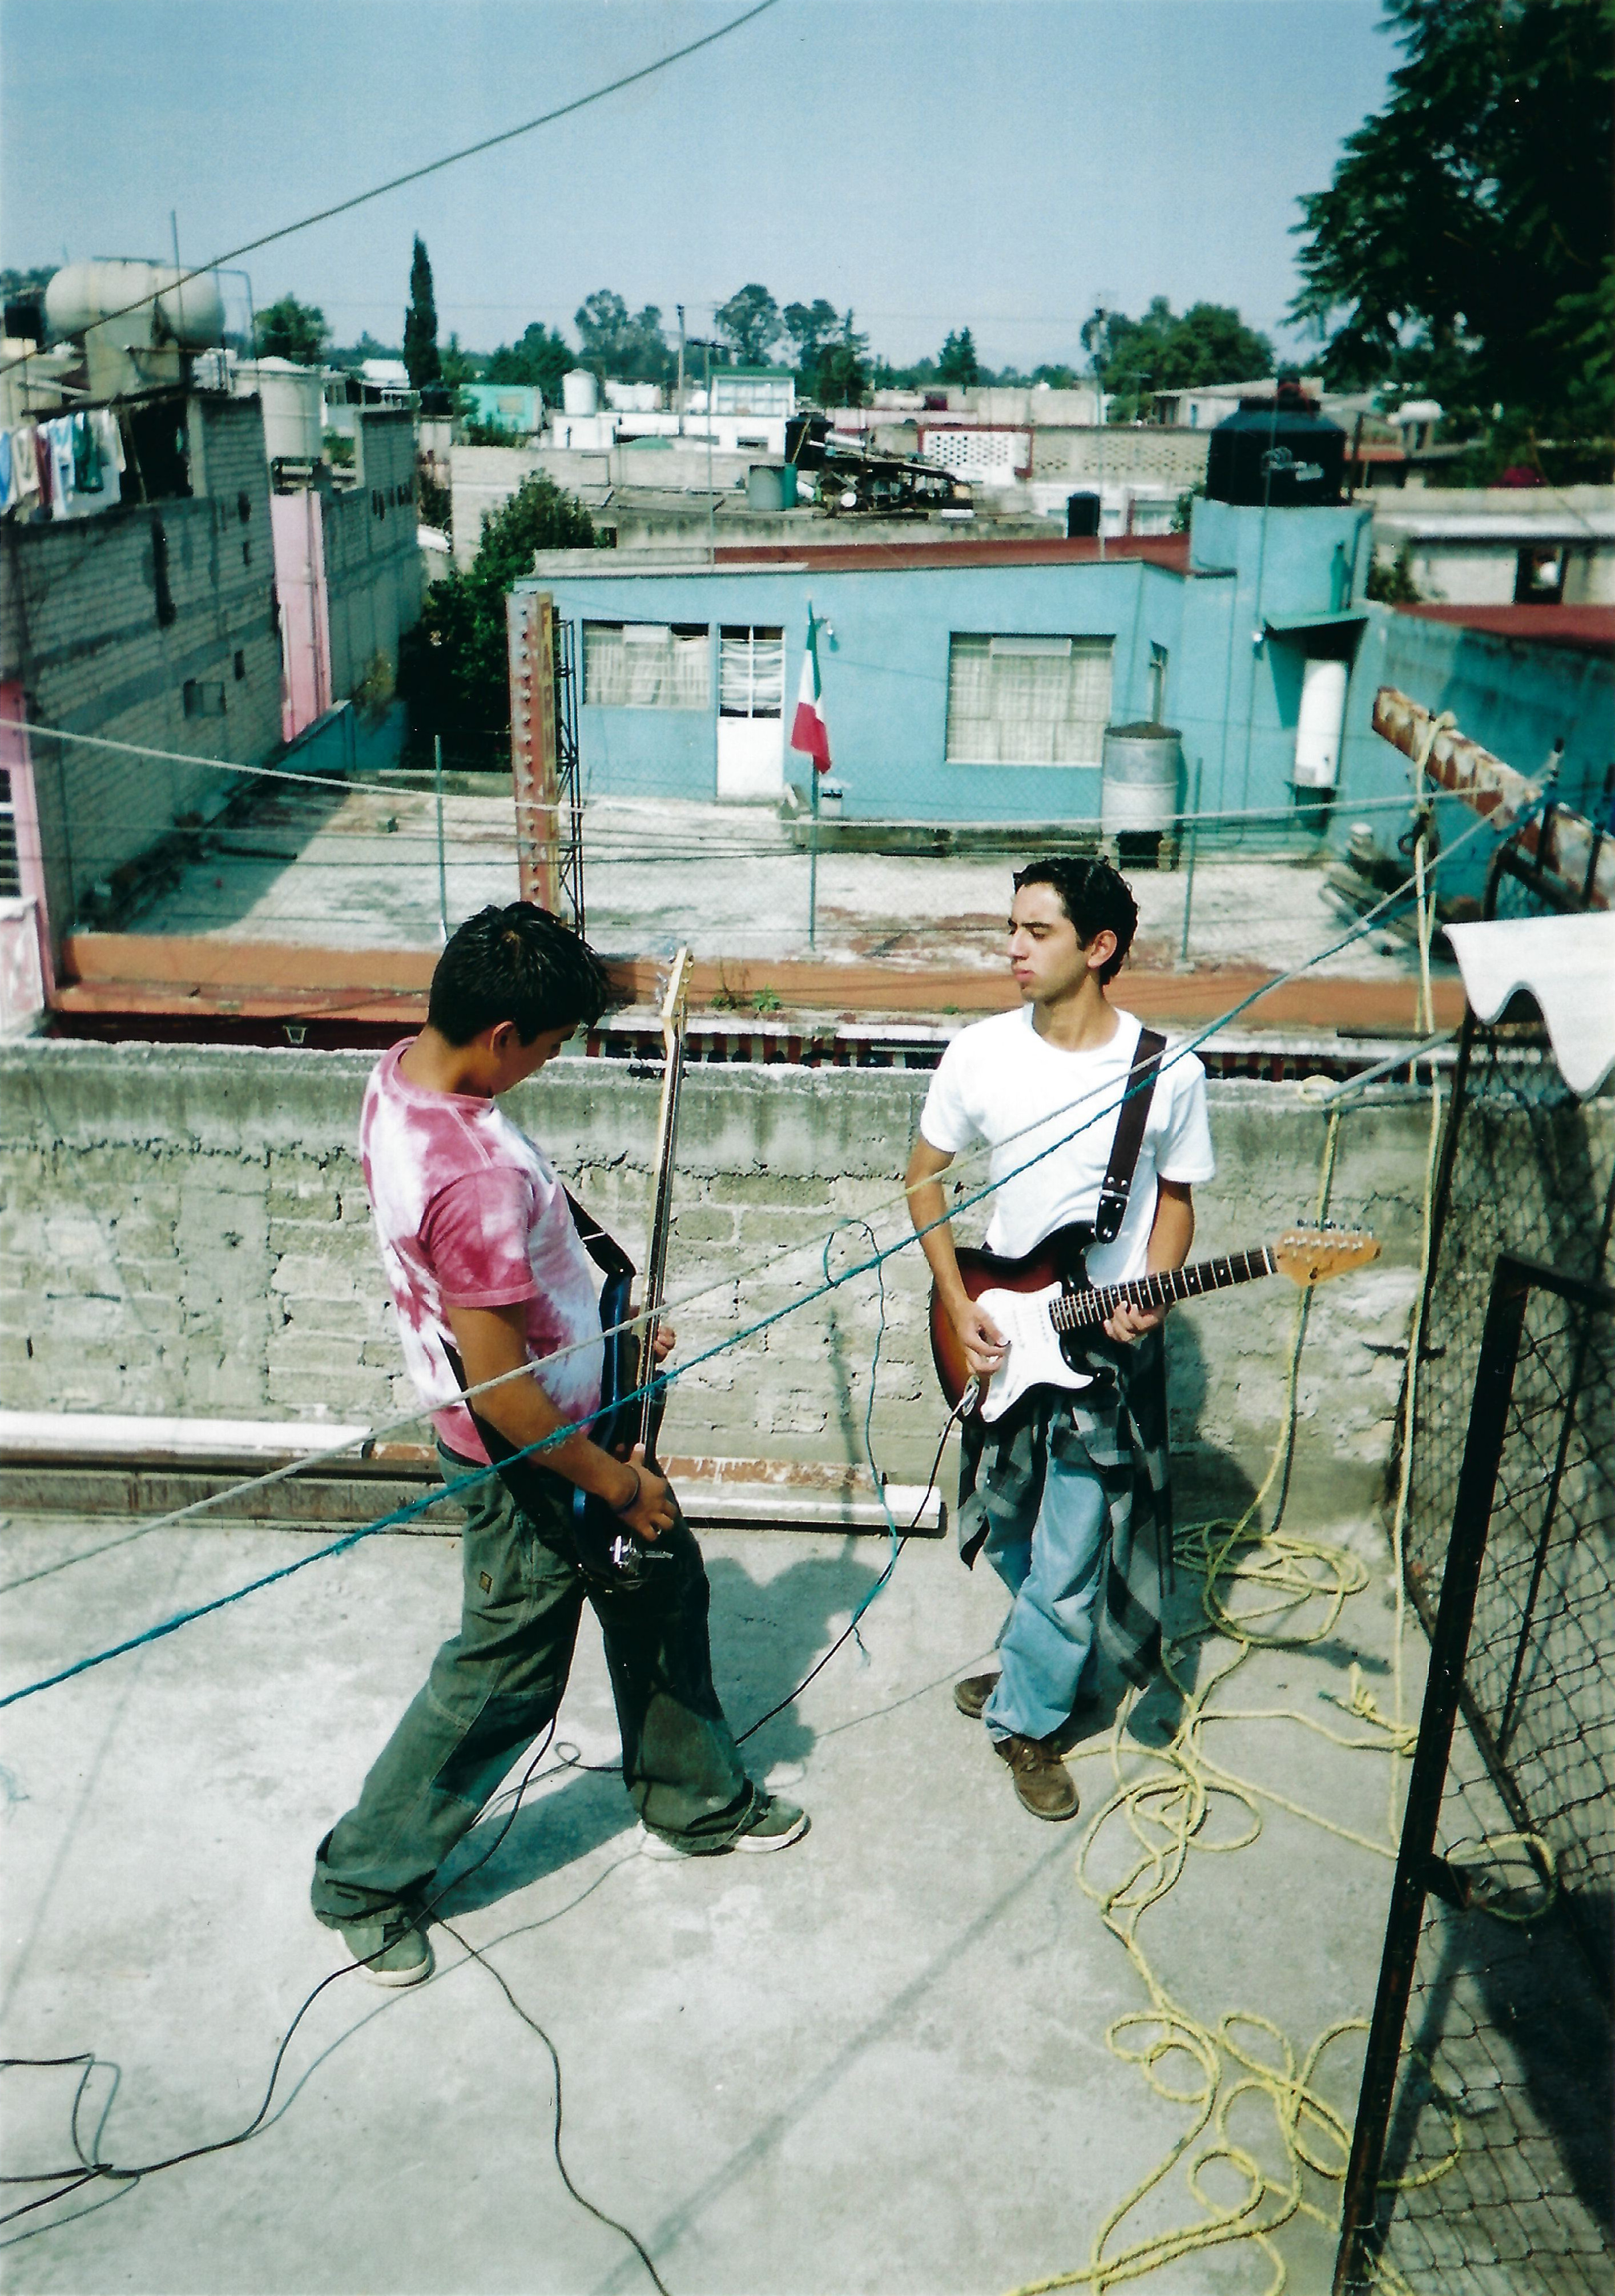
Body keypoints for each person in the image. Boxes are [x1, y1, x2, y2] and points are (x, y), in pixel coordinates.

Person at [311, 903, 807, 1986]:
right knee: (503, 1678)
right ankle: (364, 1880)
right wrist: (615, 1482)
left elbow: (510, 1302)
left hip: (574, 1414)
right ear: (501, 1034)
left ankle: (693, 1800)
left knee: (662, 1584)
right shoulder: (471, 1174)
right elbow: (501, 1388)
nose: (546, 1064)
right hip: (533, 1458)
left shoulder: (405, 1073)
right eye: (544, 1046)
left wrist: (608, 1329)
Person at [905, 858, 1214, 1822]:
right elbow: (921, 1178)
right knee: (1004, 1524)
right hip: (1002, 1328)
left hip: (1102, 1349)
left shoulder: (1168, 1072)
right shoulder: (979, 1053)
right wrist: (954, 1300)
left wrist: (1151, 1293)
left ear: (1098, 947)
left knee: (1071, 1550)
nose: (1013, 948)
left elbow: (1176, 1201)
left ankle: (1026, 1718)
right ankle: (1042, 1656)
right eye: (1011, 927)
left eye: (1035, 931)